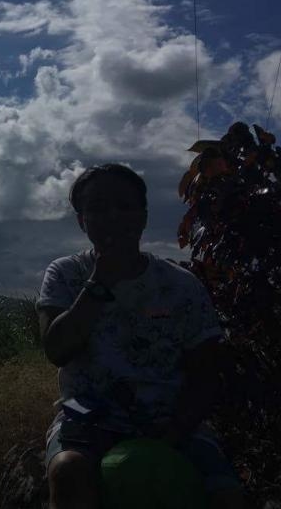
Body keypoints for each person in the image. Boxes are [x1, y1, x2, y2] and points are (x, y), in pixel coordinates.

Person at [35, 163, 245, 509]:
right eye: (98, 207)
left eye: (124, 206)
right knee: (68, 471)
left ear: (143, 216)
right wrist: (100, 283)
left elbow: (206, 373)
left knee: (227, 497)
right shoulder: (66, 274)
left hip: (171, 420)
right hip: (86, 418)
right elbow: (57, 349)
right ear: (82, 220)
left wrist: (175, 430)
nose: (113, 216)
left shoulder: (180, 285)